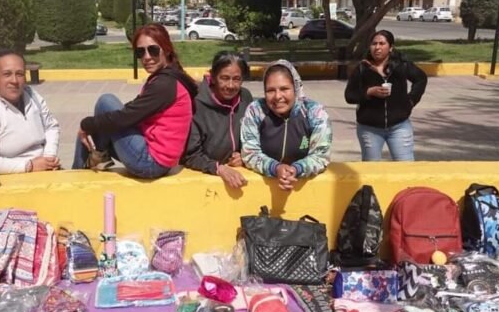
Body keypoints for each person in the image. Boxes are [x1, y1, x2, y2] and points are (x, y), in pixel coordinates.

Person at [72, 23, 198, 179]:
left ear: (166, 49)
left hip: (150, 163)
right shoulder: (169, 77)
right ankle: (98, 156)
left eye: (153, 50)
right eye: (140, 52)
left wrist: (86, 125)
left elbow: (125, 117)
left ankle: (77, 172)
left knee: (106, 102)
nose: (146, 57)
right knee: (101, 120)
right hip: (159, 160)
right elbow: (134, 110)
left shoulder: (164, 84)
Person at [241, 60, 332, 191]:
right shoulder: (256, 111)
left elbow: (321, 155)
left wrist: (296, 169)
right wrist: (275, 168)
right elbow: (249, 152)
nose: (278, 96)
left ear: (295, 88)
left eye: (284, 89)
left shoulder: (314, 113)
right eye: (271, 90)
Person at [344, 30, 427, 161]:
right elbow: (349, 95)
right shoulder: (362, 68)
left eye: (382, 43)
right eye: (374, 44)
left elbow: (421, 79)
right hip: (369, 128)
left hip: (399, 126)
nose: (377, 47)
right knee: (371, 170)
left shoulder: (401, 65)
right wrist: (369, 92)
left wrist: (411, 101)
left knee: (405, 168)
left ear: (390, 47)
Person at [0, 50, 61, 173]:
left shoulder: (32, 95)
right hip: (14, 176)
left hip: (46, 167)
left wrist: (49, 157)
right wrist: (28, 166)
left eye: (19, 74)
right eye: (7, 74)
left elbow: (51, 127)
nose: (14, 80)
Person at [184, 51, 253, 189]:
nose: (231, 85)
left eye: (237, 79)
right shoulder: (196, 103)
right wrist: (217, 168)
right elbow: (190, 155)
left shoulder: (245, 98)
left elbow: (254, 138)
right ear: (213, 77)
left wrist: (244, 156)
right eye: (225, 78)